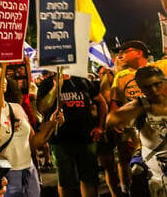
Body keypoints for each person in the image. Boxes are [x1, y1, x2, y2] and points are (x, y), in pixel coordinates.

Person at [0, 62, 63, 197]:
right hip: (6, 176)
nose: (2, 81)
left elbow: (32, 143)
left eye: (3, 76)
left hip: (29, 172)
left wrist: (51, 123)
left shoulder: (16, 108)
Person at [110, 40, 167, 195]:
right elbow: (114, 102)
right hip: (136, 129)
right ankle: (127, 189)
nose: (120, 55)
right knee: (134, 168)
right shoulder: (120, 76)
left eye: (125, 51)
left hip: (161, 124)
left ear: (138, 52)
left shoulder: (161, 67)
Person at [37, 72, 108, 197]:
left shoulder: (82, 80)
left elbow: (101, 102)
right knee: (66, 182)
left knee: (89, 179)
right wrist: (56, 87)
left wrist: (100, 127)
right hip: (60, 140)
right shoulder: (47, 83)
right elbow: (42, 108)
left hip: (86, 137)